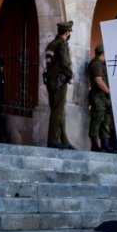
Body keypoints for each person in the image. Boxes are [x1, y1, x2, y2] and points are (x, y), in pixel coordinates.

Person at [44, 20, 74, 149]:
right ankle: (53, 140)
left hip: (51, 81)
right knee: (57, 111)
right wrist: (70, 75)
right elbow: (65, 62)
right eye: (69, 32)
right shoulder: (62, 44)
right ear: (67, 32)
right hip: (59, 82)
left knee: (57, 110)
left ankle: (64, 140)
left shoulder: (51, 44)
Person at [87, 44, 115, 153]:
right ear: (103, 53)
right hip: (98, 97)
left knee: (105, 121)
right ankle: (95, 145)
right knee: (97, 120)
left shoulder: (103, 64)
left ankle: (105, 145)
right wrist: (109, 91)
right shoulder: (96, 64)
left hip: (104, 97)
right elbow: (98, 80)